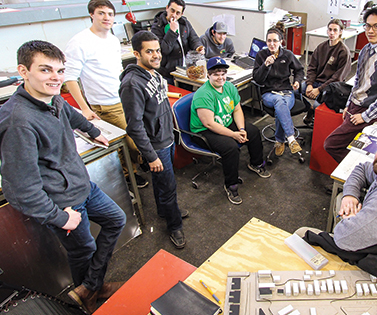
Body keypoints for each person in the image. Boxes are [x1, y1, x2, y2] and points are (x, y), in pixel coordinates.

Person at [0, 40, 126, 314]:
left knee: (116, 219)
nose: (56, 78)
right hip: (63, 202)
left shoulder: (51, 98)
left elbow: (70, 113)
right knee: (83, 250)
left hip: (82, 186)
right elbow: (20, 190)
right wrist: (61, 218)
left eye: (60, 70)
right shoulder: (18, 122)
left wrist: (92, 129)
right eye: (45, 70)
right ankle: (90, 295)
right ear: (23, 71)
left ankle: (89, 286)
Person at [296, 125, 377, 276]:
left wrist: (350, 221)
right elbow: (362, 168)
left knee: (301, 234)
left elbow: (343, 239)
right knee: (341, 198)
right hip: (373, 243)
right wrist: (350, 195)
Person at [63, 0, 147, 188]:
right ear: (91, 15)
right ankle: (129, 175)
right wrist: (84, 109)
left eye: (110, 14)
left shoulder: (112, 40)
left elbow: (117, 69)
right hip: (105, 104)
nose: (106, 17)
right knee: (128, 142)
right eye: (101, 13)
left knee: (137, 136)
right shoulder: (80, 42)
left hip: (123, 97)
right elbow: (70, 79)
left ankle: (136, 166)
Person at [119, 31, 187, 249]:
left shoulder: (154, 74)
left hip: (166, 138)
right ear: (136, 53)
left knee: (162, 183)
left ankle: (165, 211)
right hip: (156, 146)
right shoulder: (131, 84)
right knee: (168, 186)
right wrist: (150, 156)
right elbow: (135, 126)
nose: (156, 55)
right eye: (150, 51)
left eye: (157, 50)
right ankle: (174, 225)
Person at [324, 6, 377, 163]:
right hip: (355, 106)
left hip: (369, 110)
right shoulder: (366, 50)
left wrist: (365, 116)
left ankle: (363, 173)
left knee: (332, 144)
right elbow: (358, 81)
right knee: (352, 146)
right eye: (368, 26)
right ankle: (361, 175)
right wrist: (349, 103)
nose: (370, 30)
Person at [190, 57, 271, 205]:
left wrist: (241, 129)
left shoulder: (229, 87)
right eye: (216, 74)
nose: (220, 77)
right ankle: (231, 185)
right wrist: (234, 135)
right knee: (231, 148)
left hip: (225, 122)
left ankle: (256, 163)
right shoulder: (203, 94)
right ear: (209, 75)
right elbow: (209, 124)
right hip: (203, 131)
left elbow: (237, 109)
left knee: (252, 131)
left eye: (223, 73)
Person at [253, 22, 305, 156]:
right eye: (269, 41)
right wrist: (265, 65)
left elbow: (299, 70)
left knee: (281, 106)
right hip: (269, 93)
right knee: (278, 101)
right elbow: (257, 79)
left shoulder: (287, 55)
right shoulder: (261, 56)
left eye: (275, 41)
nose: (272, 44)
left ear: (281, 41)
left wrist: (298, 81)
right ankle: (291, 138)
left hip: (287, 92)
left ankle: (280, 140)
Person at [302, 18, 352, 126]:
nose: (332, 33)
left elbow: (337, 78)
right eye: (330, 30)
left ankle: (314, 113)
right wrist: (310, 84)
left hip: (331, 87)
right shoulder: (321, 47)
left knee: (317, 106)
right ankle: (309, 108)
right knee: (295, 91)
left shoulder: (343, 51)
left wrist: (319, 90)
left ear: (340, 32)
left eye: (335, 30)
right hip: (316, 82)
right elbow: (312, 67)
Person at [151, 0, 204, 84]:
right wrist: (172, 31)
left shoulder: (184, 23)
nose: (174, 15)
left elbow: (194, 38)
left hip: (185, 69)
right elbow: (164, 50)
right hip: (169, 72)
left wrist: (198, 46)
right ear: (167, 8)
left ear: (181, 14)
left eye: (178, 13)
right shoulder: (157, 27)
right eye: (172, 10)